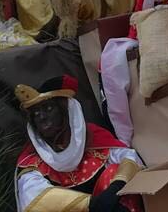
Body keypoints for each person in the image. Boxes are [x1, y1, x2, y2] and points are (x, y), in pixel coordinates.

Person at [15, 75, 144, 212]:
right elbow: (34, 197)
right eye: (35, 114)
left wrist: (114, 190)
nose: (41, 117)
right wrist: (93, 204)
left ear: (66, 110)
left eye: (48, 108)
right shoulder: (31, 160)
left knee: (114, 173)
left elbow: (130, 158)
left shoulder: (93, 136)